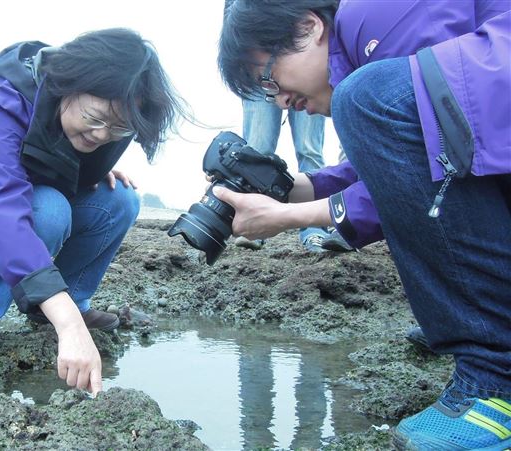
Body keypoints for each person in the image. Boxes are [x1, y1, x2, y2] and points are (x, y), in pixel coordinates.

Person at [217, 1, 510, 449]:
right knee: (370, 100)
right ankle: (479, 325)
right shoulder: (365, 46)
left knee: (365, 97)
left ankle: (497, 379)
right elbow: (407, 156)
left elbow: (439, 155)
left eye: (269, 79)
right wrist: (293, 187)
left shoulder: (378, 15)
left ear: (310, 27)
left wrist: (289, 218)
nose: (280, 101)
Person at [0, 28, 184, 395]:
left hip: (21, 209)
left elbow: (54, 172)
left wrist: (90, 173)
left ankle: (61, 304)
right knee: (46, 209)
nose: (101, 135)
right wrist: (70, 327)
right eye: (95, 118)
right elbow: (2, 205)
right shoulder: (1, 101)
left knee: (119, 200)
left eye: (118, 128)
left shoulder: (99, 128)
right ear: (67, 85)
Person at [223, 0, 332, 254]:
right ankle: (254, 222)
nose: (283, 103)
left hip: (292, 53)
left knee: (309, 148)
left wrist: (287, 214)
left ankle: (314, 228)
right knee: (255, 152)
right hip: (259, 62)